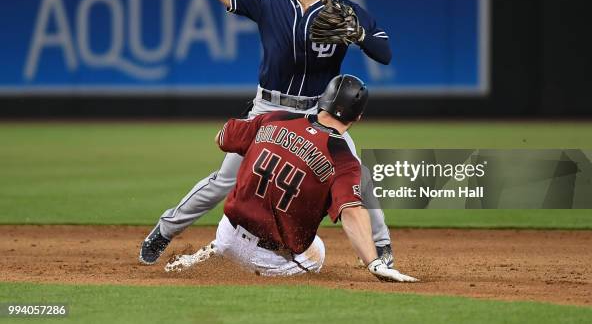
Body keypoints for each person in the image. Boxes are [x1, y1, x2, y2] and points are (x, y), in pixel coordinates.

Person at [139, 0, 394, 268]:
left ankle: (382, 246)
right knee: (224, 180)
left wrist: (359, 35)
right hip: (270, 109)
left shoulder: (346, 12)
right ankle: (164, 230)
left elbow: (385, 53)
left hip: (318, 113)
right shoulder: (270, 2)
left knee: (357, 173)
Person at [165, 75, 417, 282]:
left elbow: (222, 137)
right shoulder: (343, 159)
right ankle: (255, 276)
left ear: (323, 100)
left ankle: (218, 251)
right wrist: (373, 262)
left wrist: (249, 123)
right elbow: (352, 211)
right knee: (318, 250)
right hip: (268, 258)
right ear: (358, 117)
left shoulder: (275, 117)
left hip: (227, 232)